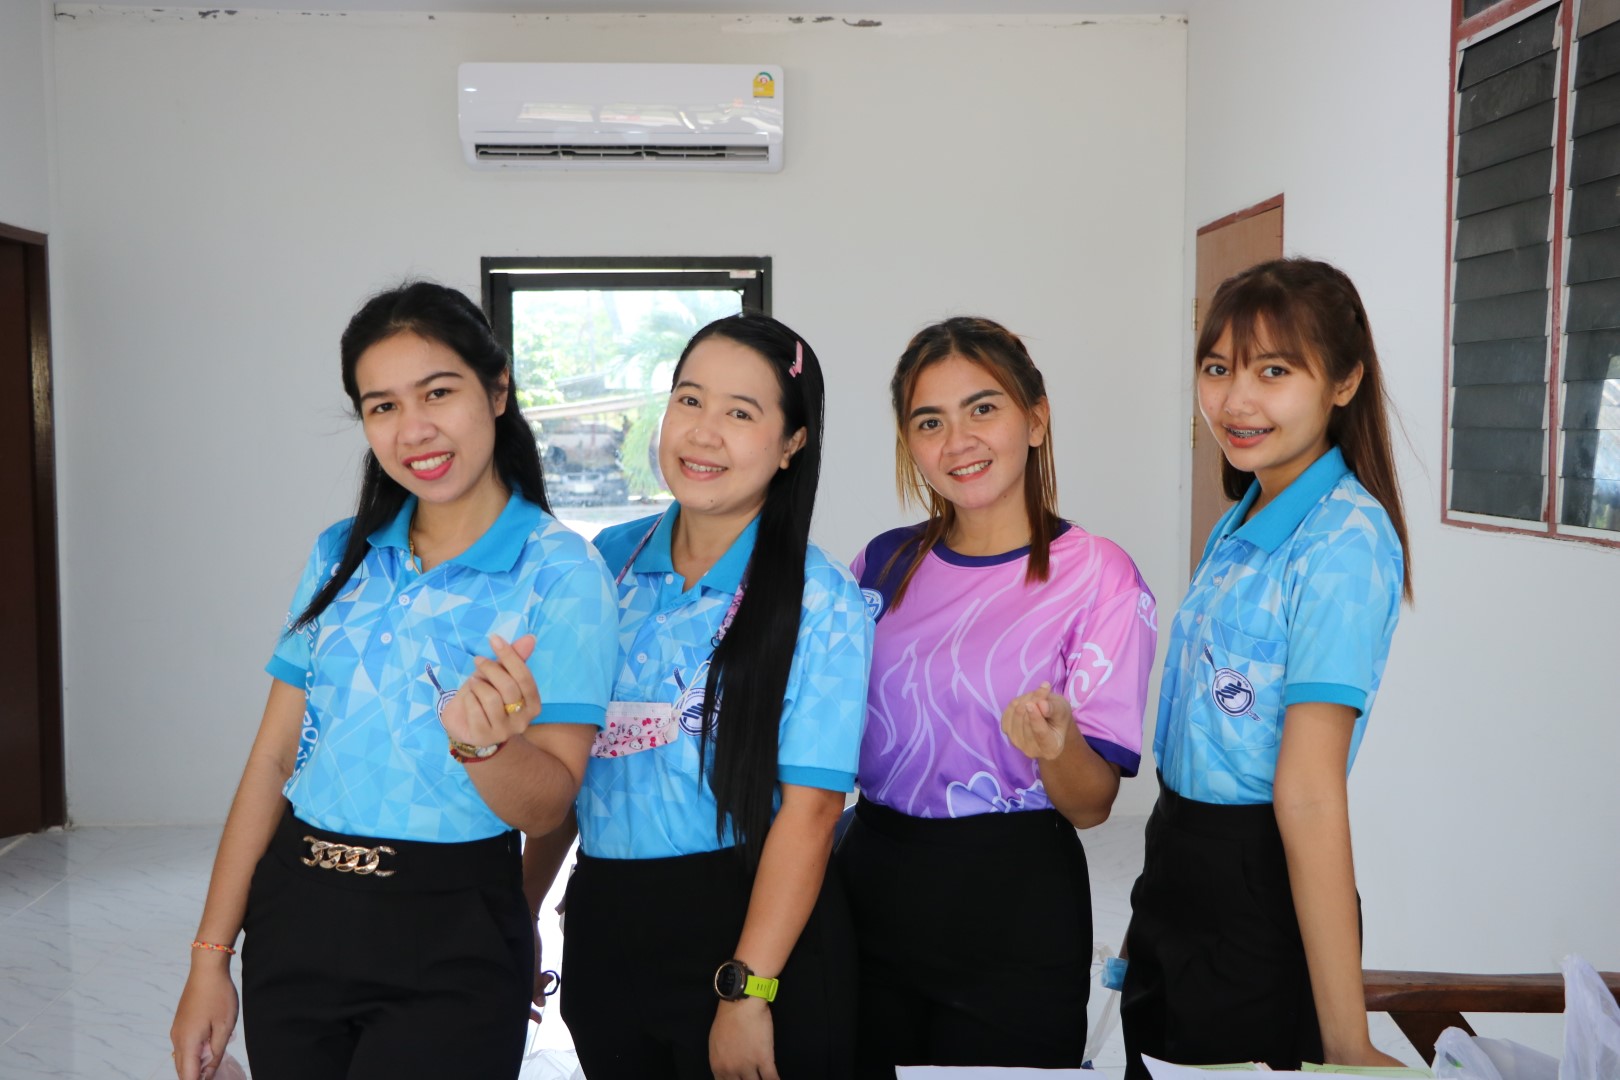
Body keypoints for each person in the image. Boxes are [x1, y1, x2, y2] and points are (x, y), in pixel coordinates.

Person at [168, 281, 618, 1080]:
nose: (414, 430)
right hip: (294, 914)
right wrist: (210, 957)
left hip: (452, 929)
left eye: (438, 392)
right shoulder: (339, 553)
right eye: (383, 406)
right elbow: (273, 760)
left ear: (498, 391)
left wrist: (484, 748)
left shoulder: (562, 573)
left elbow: (550, 804)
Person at [524, 313, 873, 1079]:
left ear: (792, 443)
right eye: (689, 399)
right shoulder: (605, 565)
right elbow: (567, 767)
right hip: (608, 924)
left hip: (751, 933)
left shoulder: (820, 598)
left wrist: (748, 992)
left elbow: (812, 814)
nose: (703, 432)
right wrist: (521, 916)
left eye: (740, 413)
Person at [835, 316, 1158, 1075]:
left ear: (1035, 419)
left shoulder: (1097, 574)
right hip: (867, 884)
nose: (958, 441)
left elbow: (1091, 804)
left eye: (983, 408)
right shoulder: (880, 565)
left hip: (1014, 904)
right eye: (930, 422)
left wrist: (1056, 746)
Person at [1120, 257, 1413, 1075]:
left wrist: (1347, 1040)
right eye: (1218, 369)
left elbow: (1310, 794)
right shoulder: (1249, 511)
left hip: (1255, 889)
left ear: (1345, 382)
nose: (1235, 401)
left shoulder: (1344, 542)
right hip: (1178, 861)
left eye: (1274, 372)